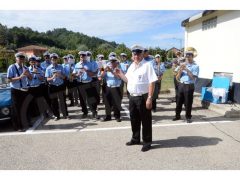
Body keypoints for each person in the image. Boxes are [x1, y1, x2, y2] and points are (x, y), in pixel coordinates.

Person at [115, 45, 158, 152]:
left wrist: (149, 98)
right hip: (132, 97)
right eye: (134, 54)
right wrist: (120, 74)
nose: (136, 56)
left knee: (146, 121)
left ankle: (147, 142)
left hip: (143, 96)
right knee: (134, 119)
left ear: (142, 54)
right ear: (132, 55)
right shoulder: (131, 66)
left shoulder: (147, 65)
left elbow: (152, 82)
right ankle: (135, 139)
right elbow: (127, 80)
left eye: (138, 54)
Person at [7, 52, 33, 131]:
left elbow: (31, 78)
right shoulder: (12, 67)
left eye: (23, 58)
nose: (21, 60)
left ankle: (26, 122)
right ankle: (18, 126)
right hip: (16, 90)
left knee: (26, 107)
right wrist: (20, 77)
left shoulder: (25, 67)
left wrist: (28, 75)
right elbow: (8, 80)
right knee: (17, 109)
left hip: (24, 90)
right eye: (20, 58)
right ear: (16, 59)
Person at [173, 47, 199, 123]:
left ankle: (188, 117)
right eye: (186, 56)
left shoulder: (195, 66)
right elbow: (177, 75)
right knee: (178, 102)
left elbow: (193, 78)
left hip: (189, 85)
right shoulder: (182, 64)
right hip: (181, 84)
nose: (187, 57)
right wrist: (180, 69)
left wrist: (186, 69)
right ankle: (177, 115)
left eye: (189, 56)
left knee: (188, 102)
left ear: (192, 56)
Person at [73, 51, 99, 119]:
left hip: (88, 82)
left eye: (83, 56)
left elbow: (93, 74)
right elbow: (73, 75)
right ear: (80, 57)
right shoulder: (77, 65)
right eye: (81, 56)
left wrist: (86, 70)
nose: (82, 57)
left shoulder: (89, 64)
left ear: (85, 57)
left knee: (91, 98)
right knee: (82, 99)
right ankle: (85, 112)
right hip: (80, 83)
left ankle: (94, 112)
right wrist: (77, 74)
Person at [45, 53, 69, 120]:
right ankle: (56, 115)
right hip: (53, 86)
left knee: (62, 101)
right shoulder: (48, 68)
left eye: (55, 59)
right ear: (50, 60)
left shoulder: (61, 67)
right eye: (52, 59)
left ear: (57, 59)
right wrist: (53, 77)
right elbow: (47, 79)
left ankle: (65, 114)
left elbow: (65, 77)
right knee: (53, 102)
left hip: (60, 86)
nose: (54, 60)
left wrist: (60, 75)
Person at [99, 56, 122, 122]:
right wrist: (104, 70)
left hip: (116, 87)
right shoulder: (105, 67)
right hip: (108, 87)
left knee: (116, 103)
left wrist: (111, 71)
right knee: (107, 102)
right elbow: (101, 76)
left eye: (113, 61)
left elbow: (119, 77)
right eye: (111, 61)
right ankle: (108, 116)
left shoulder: (118, 68)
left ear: (116, 62)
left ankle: (117, 116)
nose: (112, 63)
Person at [27, 55, 45, 124]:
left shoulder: (39, 69)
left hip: (38, 87)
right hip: (31, 87)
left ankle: (42, 113)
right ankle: (33, 115)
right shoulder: (27, 69)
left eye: (34, 62)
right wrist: (33, 72)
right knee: (31, 102)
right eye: (31, 62)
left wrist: (37, 73)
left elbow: (42, 79)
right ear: (29, 63)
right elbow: (28, 78)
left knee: (40, 101)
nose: (33, 63)